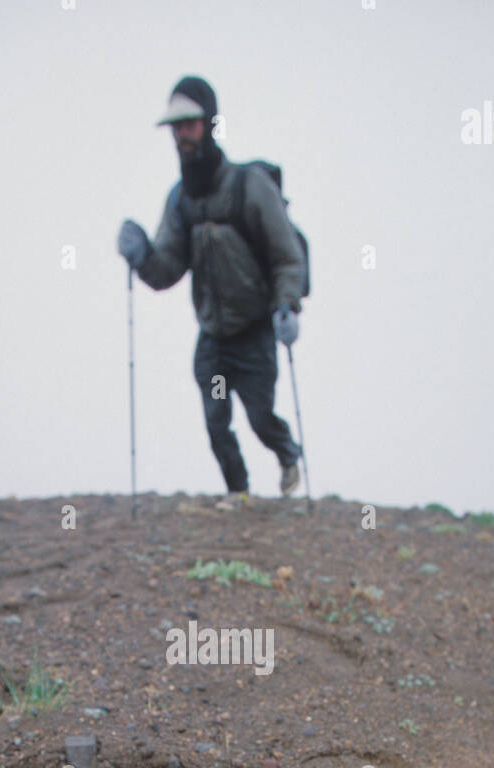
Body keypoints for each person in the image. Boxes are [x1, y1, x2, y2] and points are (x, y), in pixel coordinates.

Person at [117, 76, 306, 498]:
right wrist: (142, 256)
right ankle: (239, 496)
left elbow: (286, 254)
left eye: (190, 124)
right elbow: (168, 269)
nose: (182, 134)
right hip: (214, 339)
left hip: (255, 332)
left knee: (259, 417)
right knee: (216, 420)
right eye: (176, 127)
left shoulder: (249, 187)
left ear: (209, 123)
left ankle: (288, 453)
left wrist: (288, 306)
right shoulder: (180, 200)